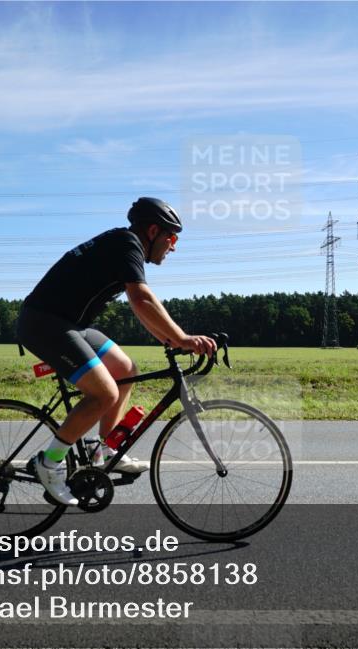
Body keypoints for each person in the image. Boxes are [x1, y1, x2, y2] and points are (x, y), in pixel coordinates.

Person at [16, 197, 218, 505]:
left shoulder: (123, 243)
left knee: (125, 369)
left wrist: (171, 339)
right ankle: (49, 462)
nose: (173, 246)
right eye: (171, 237)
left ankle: (103, 451)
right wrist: (183, 337)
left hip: (71, 324)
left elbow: (141, 306)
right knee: (104, 394)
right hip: (44, 323)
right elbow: (142, 298)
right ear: (152, 231)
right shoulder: (127, 243)